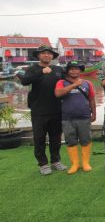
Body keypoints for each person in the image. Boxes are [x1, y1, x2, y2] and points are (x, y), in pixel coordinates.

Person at [20, 45, 67, 175]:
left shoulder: (58, 69)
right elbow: (24, 81)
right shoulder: (32, 69)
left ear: (52, 56)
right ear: (38, 55)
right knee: (39, 138)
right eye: (43, 53)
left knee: (56, 138)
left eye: (49, 53)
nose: (46, 55)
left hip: (56, 109)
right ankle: (43, 164)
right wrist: (41, 72)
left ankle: (56, 161)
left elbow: (69, 80)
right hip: (38, 110)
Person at [54, 61, 96, 174]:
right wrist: (74, 85)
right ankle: (75, 164)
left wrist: (94, 114)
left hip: (84, 117)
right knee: (71, 141)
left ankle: (86, 163)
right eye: (71, 69)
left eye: (76, 68)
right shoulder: (61, 82)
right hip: (67, 118)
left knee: (85, 140)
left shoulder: (87, 83)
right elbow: (58, 94)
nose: (74, 71)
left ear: (80, 70)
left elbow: (91, 99)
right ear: (67, 71)